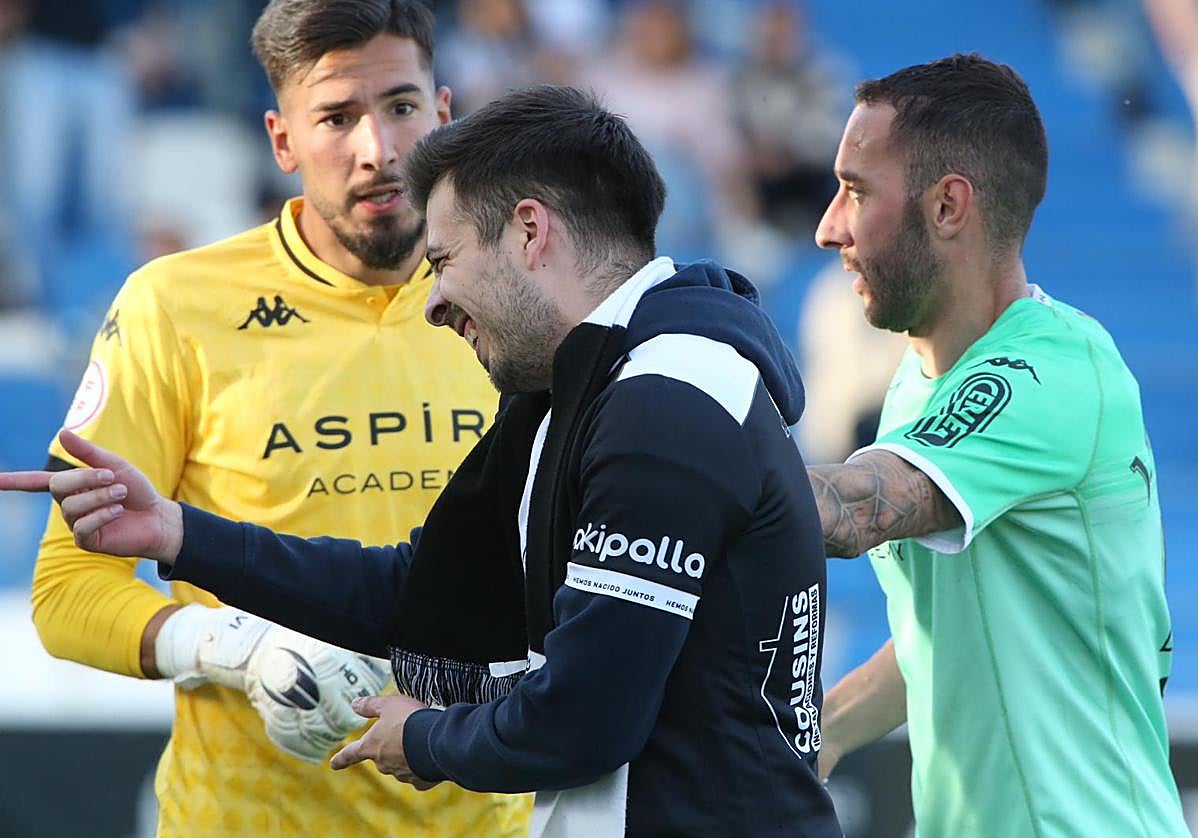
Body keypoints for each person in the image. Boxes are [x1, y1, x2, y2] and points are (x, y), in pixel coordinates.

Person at [5, 85, 843, 837]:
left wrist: (422, 738)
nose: (433, 302)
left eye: (443, 262)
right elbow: (424, 594)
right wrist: (183, 535)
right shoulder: (580, 391)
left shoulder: (668, 398)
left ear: (529, 231)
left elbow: (585, 720)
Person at [24, 1, 530, 835]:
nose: (379, 150)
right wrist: (233, 648)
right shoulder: (175, 307)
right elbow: (69, 590)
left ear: (445, 117)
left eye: (402, 106)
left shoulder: (524, 299)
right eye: (336, 117)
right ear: (282, 140)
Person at [804, 53, 1188, 836]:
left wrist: (651, 465)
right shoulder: (920, 383)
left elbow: (850, 513)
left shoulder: (1049, 371)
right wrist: (828, 728)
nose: (828, 226)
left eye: (856, 190)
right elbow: (948, 635)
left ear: (949, 207)